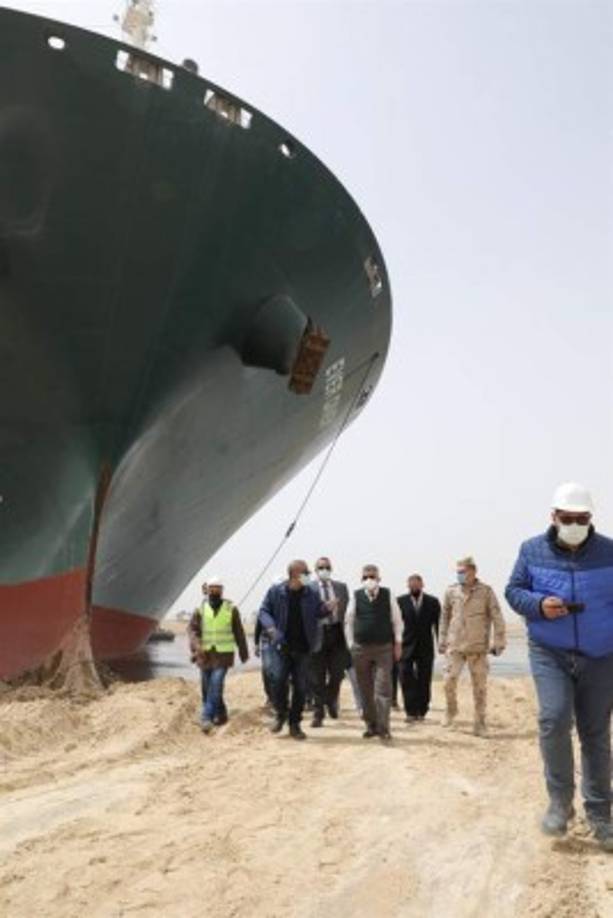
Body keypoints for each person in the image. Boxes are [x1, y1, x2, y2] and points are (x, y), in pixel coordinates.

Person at [505, 482, 613, 850]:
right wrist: (538, 605)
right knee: (553, 720)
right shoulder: (531, 550)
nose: (575, 524)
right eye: (568, 519)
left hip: (601, 655)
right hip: (549, 651)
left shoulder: (609, 552)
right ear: (553, 517)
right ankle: (559, 804)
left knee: (596, 733)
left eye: (582, 519)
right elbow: (514, 591)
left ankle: (599, 813)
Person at [258, 560, 330, 740]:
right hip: (281, 646)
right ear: (295, 574)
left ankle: (295, 723)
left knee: (301, 686)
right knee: (278, 681)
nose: (309, 575)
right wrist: (271, 628)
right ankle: (281, 714)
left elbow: (318, 612)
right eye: (306, 572)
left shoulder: (311, 593)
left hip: (304, 647)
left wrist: (327, 608)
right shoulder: (276, 592)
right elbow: (263, 611)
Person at [440, 557, 505, 737]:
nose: (460, 575)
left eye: (463, 571)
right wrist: (442, 640)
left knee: (480, 688)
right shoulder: (451, 591)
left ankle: (480, 723)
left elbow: (497, 616)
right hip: (455, 646)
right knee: (448, 681)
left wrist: (498, 642)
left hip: (478, 648)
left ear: (473, 571)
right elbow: (444, 617)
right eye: (458, 572)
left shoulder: (486, 592)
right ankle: (451, 711)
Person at [344, 564, 403, 741]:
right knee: (365, 690)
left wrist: (398, 643)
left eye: (372, 576)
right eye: (365, 577)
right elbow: (349, 622)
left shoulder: (388, 595)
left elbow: (397, 621)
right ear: (361, 579)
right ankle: (371, 725)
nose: (369, 580)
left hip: (384, 648)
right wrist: (351, 645)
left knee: (384, 688)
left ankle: (384, 728)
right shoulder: (355, 596)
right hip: (360, 649)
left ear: (378, 579)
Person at [188, 576, 249, 734]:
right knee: (206, 687)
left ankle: (206, 718)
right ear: (207, 590)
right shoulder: (200, 609)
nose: (215, 591)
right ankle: (221, 713)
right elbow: (192, 630)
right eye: (212, 588)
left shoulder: (231, 609)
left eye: (218, 588)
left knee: (216, 684)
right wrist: (196, 647)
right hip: (205, 655)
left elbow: (239, 632)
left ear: (222, 590)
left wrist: (243, 652)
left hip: (223, 655)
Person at [309, 557, 350, 727]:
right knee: (317, 677)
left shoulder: (341, 587)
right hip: (317, 635)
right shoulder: (308, 589)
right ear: (315, 570)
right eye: (320, 567)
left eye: (326, 567)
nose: (324, 569)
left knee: (337, 674)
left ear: (331, 568)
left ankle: (331, 700)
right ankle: (318, 713)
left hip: (337, 634)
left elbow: (348, 612)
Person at [397, 574, 441, 721]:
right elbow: (395, 625)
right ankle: (410, 712)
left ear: (422, 585)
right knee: (406, 678)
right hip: (405, 646)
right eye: (411, 585)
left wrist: (441, 643)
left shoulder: (432, 602)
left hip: (426, 646)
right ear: (408, 586)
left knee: (424, 679)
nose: (414, 587)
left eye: (416, 584)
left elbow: (438, 625)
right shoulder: (400, 602)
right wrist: (394, 644)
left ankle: (422, 711)